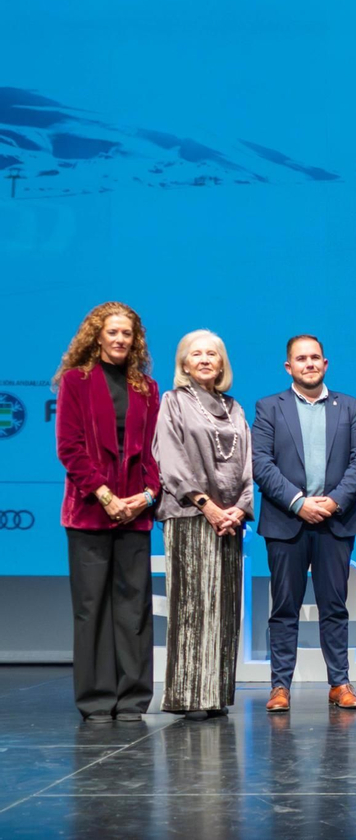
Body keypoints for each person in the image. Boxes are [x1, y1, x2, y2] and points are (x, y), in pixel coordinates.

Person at [251, 335, 356, 712]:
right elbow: (260, 463)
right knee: (284, 607)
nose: (309, 364)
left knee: (334, 606)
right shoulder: (269, 407)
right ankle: (280, 687)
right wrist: (299, 502)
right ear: (289, 367)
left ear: (326, 363)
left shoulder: (348, 406)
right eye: (301, 359)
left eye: (315, 358)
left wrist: (333, 501)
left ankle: (339, 683)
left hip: (335, 521)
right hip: (287, 521)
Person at [53, 302, 160, 722]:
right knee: (91, 607)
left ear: (135, 341)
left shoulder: (146, 388)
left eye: (127, 333)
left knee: (134, 608)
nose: (120, 339)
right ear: (97, 335)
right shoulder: (75, 383)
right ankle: (96, 699)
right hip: (89, 513)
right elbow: (70, 448)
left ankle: (133, 698)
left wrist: (147, 494)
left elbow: (153, 453)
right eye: (112, 332)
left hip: (135, 512)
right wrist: (105, 495)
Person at [152, 329, 252, 717]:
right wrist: (207, 505)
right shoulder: (173, 402)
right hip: (190, 516)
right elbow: (170, 461)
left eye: (213, 354)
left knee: (224, 608)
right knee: (193, 607)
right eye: (197, 354)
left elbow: (248, 465)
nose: (206, 359)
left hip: (229, 521)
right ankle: (187, 695)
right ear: (184, 363)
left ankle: (215, 696)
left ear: (222, 363)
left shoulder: (235, 407)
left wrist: (240, 509)